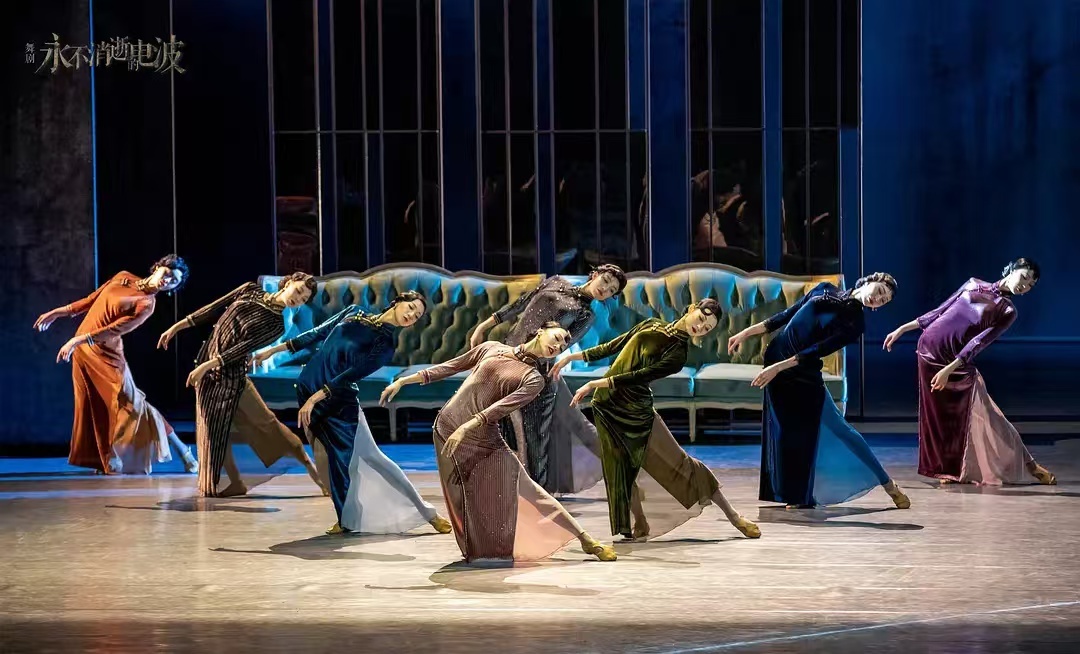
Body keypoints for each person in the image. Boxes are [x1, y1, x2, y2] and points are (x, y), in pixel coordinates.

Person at [381, 322, 617, 564]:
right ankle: (478, 548)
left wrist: (467, 427)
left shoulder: (533, 379)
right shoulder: (492, 348)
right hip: (447, 428)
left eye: (561, 347)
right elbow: (452, 366)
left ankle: (586, 539)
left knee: (529, 490)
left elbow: (499, 408)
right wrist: (403, 381)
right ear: (540, 331)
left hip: (483, 437)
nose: (557, 347)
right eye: (556, 338)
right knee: (461, 494)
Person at [553, 300, 760, 541]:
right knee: (619, 468)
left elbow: (639, 376)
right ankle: (639, 523)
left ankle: (734, 516)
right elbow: (616, 344)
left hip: (637, 409)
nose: (700, 327)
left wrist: (595, 383)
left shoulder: (678, 354)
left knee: (680, 462)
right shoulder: (652, 324)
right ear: (691, 308)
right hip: (606, 405)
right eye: (702, 319)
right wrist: (572, 357)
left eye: (707, 329)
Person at [252, 291, 452, 535]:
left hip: (338, 402)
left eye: (417, 316)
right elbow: (318, 333)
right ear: (398, 302)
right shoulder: (354, 311)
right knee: (338, 461)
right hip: (308, 390)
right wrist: (272, 351)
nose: (411, 315)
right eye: (410, 308)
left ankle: (428, 514)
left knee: (373, 458)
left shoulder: (385, 345)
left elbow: (350, 375)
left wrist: (315, 398)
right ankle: (347, 518)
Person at [729, 274, 911, 509]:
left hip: (802, 373)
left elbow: (816, 350)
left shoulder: (855, 324)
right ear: (869, 281)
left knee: (841, 429)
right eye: (880, 291)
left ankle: (888, 485)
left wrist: (778, 368)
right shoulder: (825, 288)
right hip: (776, 360)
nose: (878, 299)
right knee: (784, 431)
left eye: (883, 301)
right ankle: (793, 494)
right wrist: (745, 333)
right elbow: (785, 316)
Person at [883, 258, 1055, 486]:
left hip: (953, 362)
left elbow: (979, 342)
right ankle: (946, 470)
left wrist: (949, 368)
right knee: (937, 416)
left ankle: (1030, 465)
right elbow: (939, 311)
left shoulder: (1007, 310)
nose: (1025, 285)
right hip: (927, 351)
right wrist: (902, 329)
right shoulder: (973, 283)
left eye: (1030, 285)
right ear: (1012, 270)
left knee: (990, 415)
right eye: (1024, 277)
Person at [158, 273, 322, 497]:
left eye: (303, 300)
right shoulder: (249, 289)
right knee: (214, 431)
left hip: (231, 374)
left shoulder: (277, 326)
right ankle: (235, 482)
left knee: (267, 424)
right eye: (299, 291)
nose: (297, 299)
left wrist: (207, 366)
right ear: (289, 282)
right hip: (207, 366)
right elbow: (213, 308)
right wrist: (177, 327)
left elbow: (241, 349)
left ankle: (313, 470)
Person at [470, 264, 626, 494]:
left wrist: (525, 364)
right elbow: (520, 304)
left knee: (537, 437)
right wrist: (482, 328)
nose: (605, 289)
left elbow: (559, 346)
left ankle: (539, 493)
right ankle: (497, 485)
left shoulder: (586, 315)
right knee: (502, 426)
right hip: (507, 356)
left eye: (611, 290)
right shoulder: (556, 281)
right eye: (605, 281)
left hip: (536, 372)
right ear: (594, 275)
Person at [34, 255, 197, 475]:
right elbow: (91, 300)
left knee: (134, 403)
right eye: (167, 274)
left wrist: (76, 340)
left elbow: (114, 329)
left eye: (173, 282)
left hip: (107, 354)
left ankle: (183, 451)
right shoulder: (123, 276)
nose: (167, 281)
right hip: (83, 351)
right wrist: (57, 313)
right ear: (158, 267)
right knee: (91, 403)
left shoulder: (147, 304)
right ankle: (105, 457)